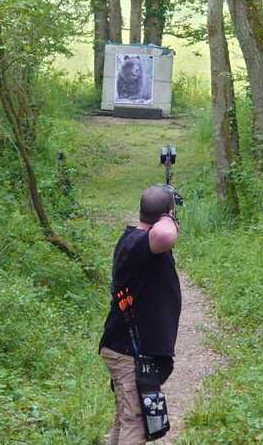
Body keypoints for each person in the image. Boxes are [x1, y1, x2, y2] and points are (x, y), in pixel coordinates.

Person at [99, 185, 182, 445]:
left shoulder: (138, 241)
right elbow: (165, 234)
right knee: (135, 423)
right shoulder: (136, 244)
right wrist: (170, 217)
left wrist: (166, 212)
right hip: (127, 352)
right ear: (166, 214)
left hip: (126, 349)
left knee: (126, 419)